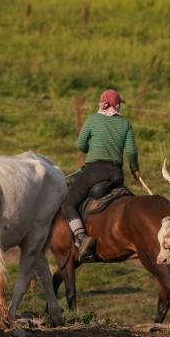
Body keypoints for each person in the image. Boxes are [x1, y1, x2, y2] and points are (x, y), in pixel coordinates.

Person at [64, 89, 140, 261]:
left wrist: (91, 150)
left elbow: (80, 144)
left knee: (68, 204)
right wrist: (135, 169)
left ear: (102, 103)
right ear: (117, 105)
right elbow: (131, 151)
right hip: (116, 174)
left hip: (94, 172)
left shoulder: (93, 119)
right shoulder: (125, 124)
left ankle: (82, 238)